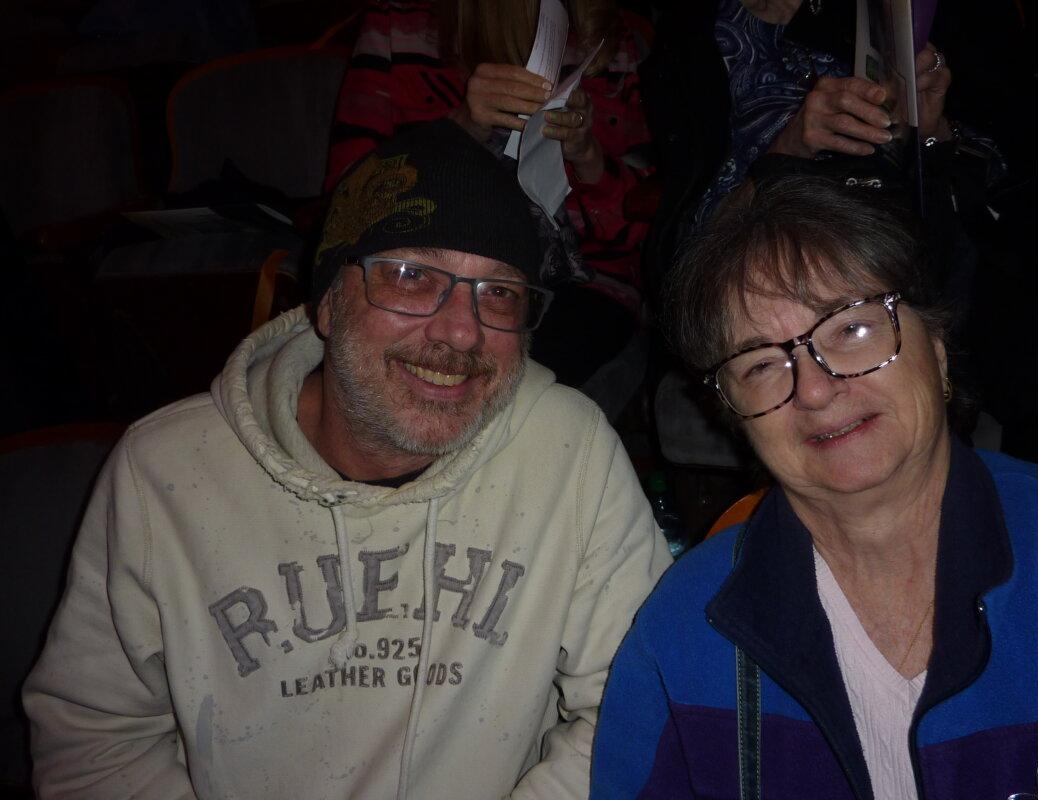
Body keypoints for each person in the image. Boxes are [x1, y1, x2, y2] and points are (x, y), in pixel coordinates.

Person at [24, 118, 671, 799]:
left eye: (499, 292)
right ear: (328, 303)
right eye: (412, 276)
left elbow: (636, 710)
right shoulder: (165, 473)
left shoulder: (567, 451)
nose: (461, 331)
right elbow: (95, 743)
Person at [590, 176, 1038, 798]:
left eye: (852, 330)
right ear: (734, 416)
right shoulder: (685, 631)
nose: (816, 389)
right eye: (761, 365)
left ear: (936, 350)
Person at [328, 0, 654, 395]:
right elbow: (346, 207)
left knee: (514, 386)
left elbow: (639, 226)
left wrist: (586, 156)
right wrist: (461, 127)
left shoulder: (614, 35)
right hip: (424, 264)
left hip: (580, 284)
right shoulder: (401, 22)